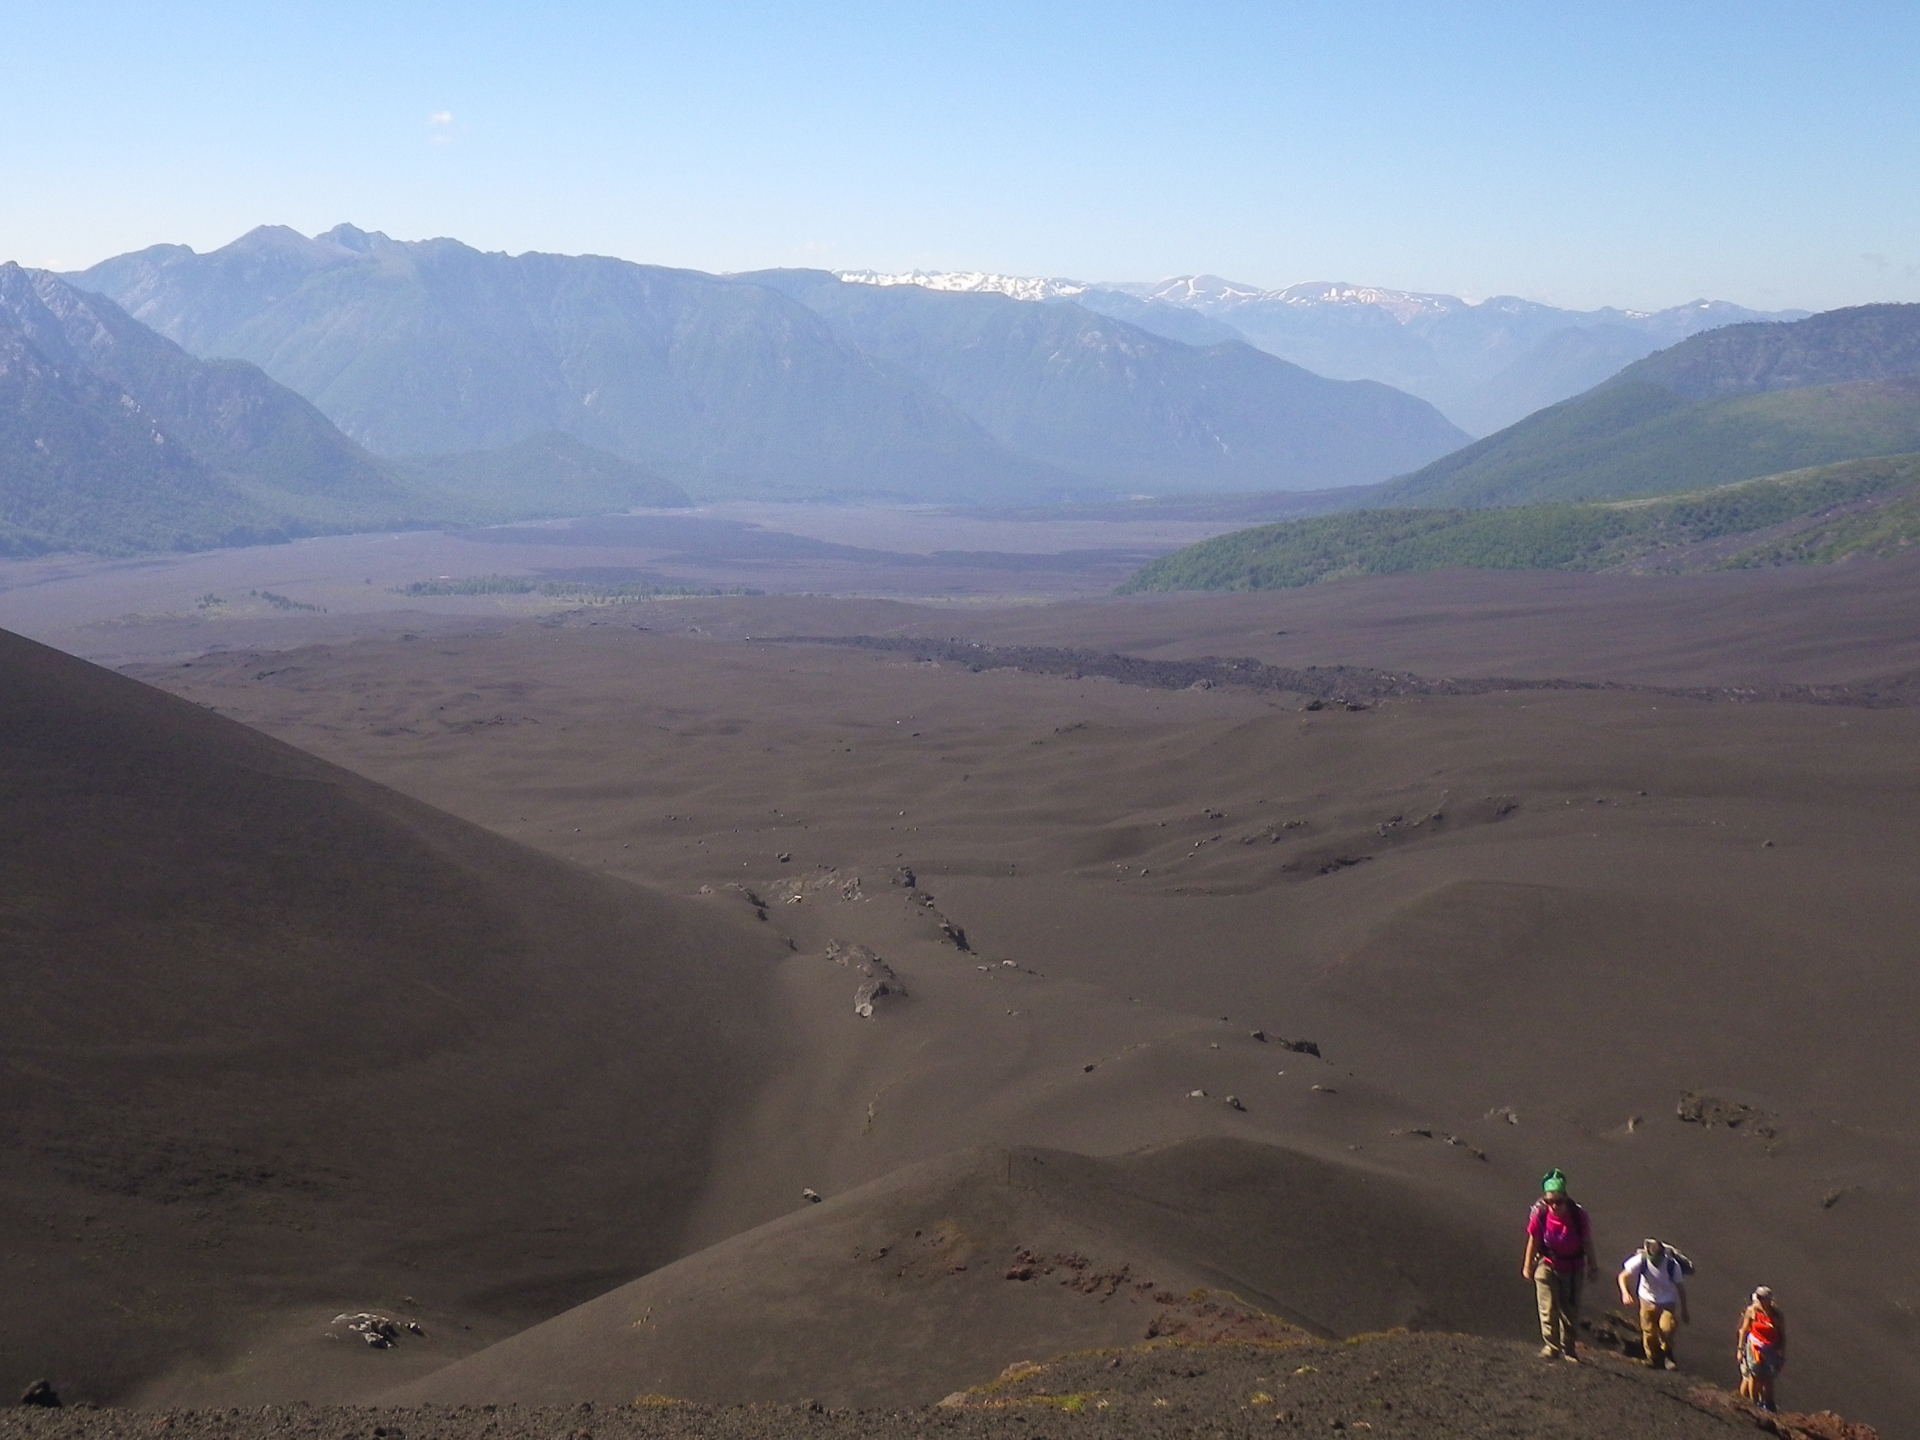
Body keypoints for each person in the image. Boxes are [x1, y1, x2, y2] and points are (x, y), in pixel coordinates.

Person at [1522, 1168, 1600, 1361]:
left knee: (1570, 1310)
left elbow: (1587, 1241)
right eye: (1549, 1202)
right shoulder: (1540, 1214)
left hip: (1572, 1269)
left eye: (1558, 1201)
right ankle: (1551, 1346)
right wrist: (1527, 1265)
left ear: (1566, 1198)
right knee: (1547, 1307)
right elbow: (1533, 1240)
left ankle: (1569, 1348)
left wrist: (1593, 1265)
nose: (1554, 1206)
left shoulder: (1578, 1216)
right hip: (1547, 1264)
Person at [1618, 1238, 1689, 1368]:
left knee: (1667, 1327)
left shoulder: (1672, 1265)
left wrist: (1684, 1310)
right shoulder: (1641, 1260)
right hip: (1646, 1300)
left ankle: (1667, 1352)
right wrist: (1625, 1292)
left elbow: (1680, 1288)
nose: (1656, 1263)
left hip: (1667, 1301)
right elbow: (1623, 1276)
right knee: (1649, 1331)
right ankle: (1653, 1358)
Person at [1737, 1287, 1786, 1412]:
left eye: (1761, 1298)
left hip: (1770, 1349)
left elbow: (1782, 1334)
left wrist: (1781, 1351)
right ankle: (1753, 1403)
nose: (1758, 1300)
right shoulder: (1752, 1311)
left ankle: (1768, 1404)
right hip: (1754, 1347)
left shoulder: (1776, 1315)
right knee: (1754, 1375)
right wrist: (1740, 1349)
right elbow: (1743, 1330)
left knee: (1768, 1377)